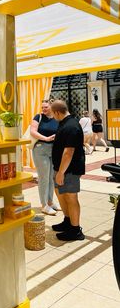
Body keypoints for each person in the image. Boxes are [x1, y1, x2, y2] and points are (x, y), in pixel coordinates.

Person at [51, 99, 85, 241]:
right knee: (62, 194)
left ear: (58, 112)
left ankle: (76, 230)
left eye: (53, 114)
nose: (53, 117)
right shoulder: (65, 123)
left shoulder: (71, 126)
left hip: (69, 170)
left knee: (71, 197)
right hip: (62, 169)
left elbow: (68, 152)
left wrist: (61, 172)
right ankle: (68, 221)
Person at [31, 100, 59, 215]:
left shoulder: (57, 118)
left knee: (51, 177)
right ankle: (44, 205)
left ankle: (50, 202)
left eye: (46, 107)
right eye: (42, 107)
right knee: (43, 177)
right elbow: (33, 131)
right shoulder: (38, 117)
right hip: (40, 149)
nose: (43, 109)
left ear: (52, 107)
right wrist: (46, 138)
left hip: (53, 150)